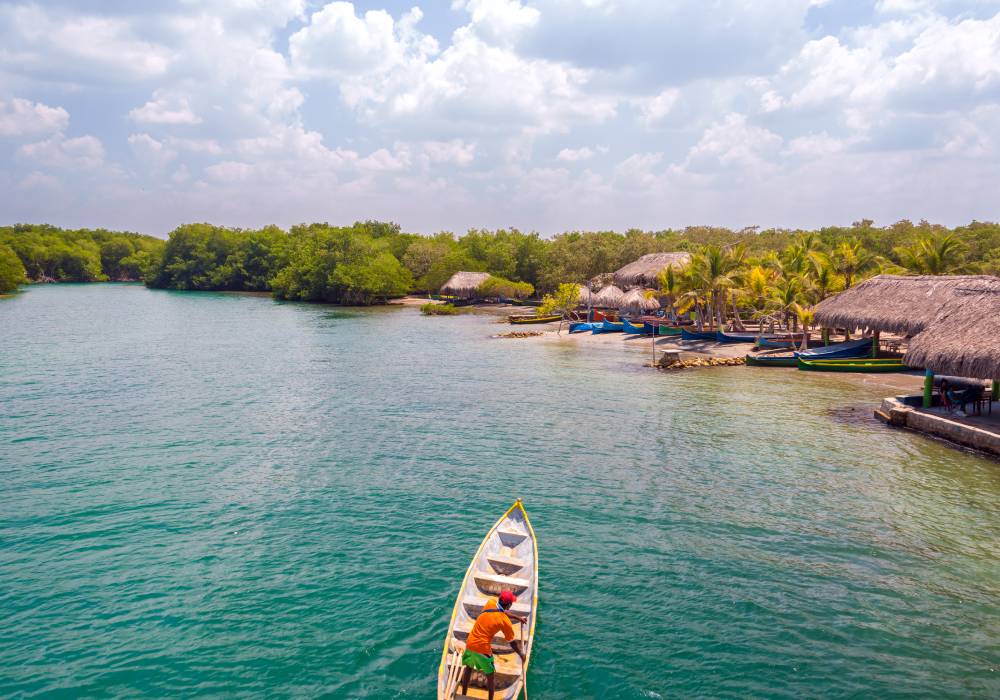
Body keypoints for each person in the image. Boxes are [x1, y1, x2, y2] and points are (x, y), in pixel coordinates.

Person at [460, 590, 527, 700]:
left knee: (468, 668)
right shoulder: (505, 621)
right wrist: (521, 654)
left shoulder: (490, 603)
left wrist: (518, 618)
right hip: (483, 650)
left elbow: (500, 611)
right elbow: (512, 643)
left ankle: (463, 695)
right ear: (509, 605)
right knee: (490, 677)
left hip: (470, 643)